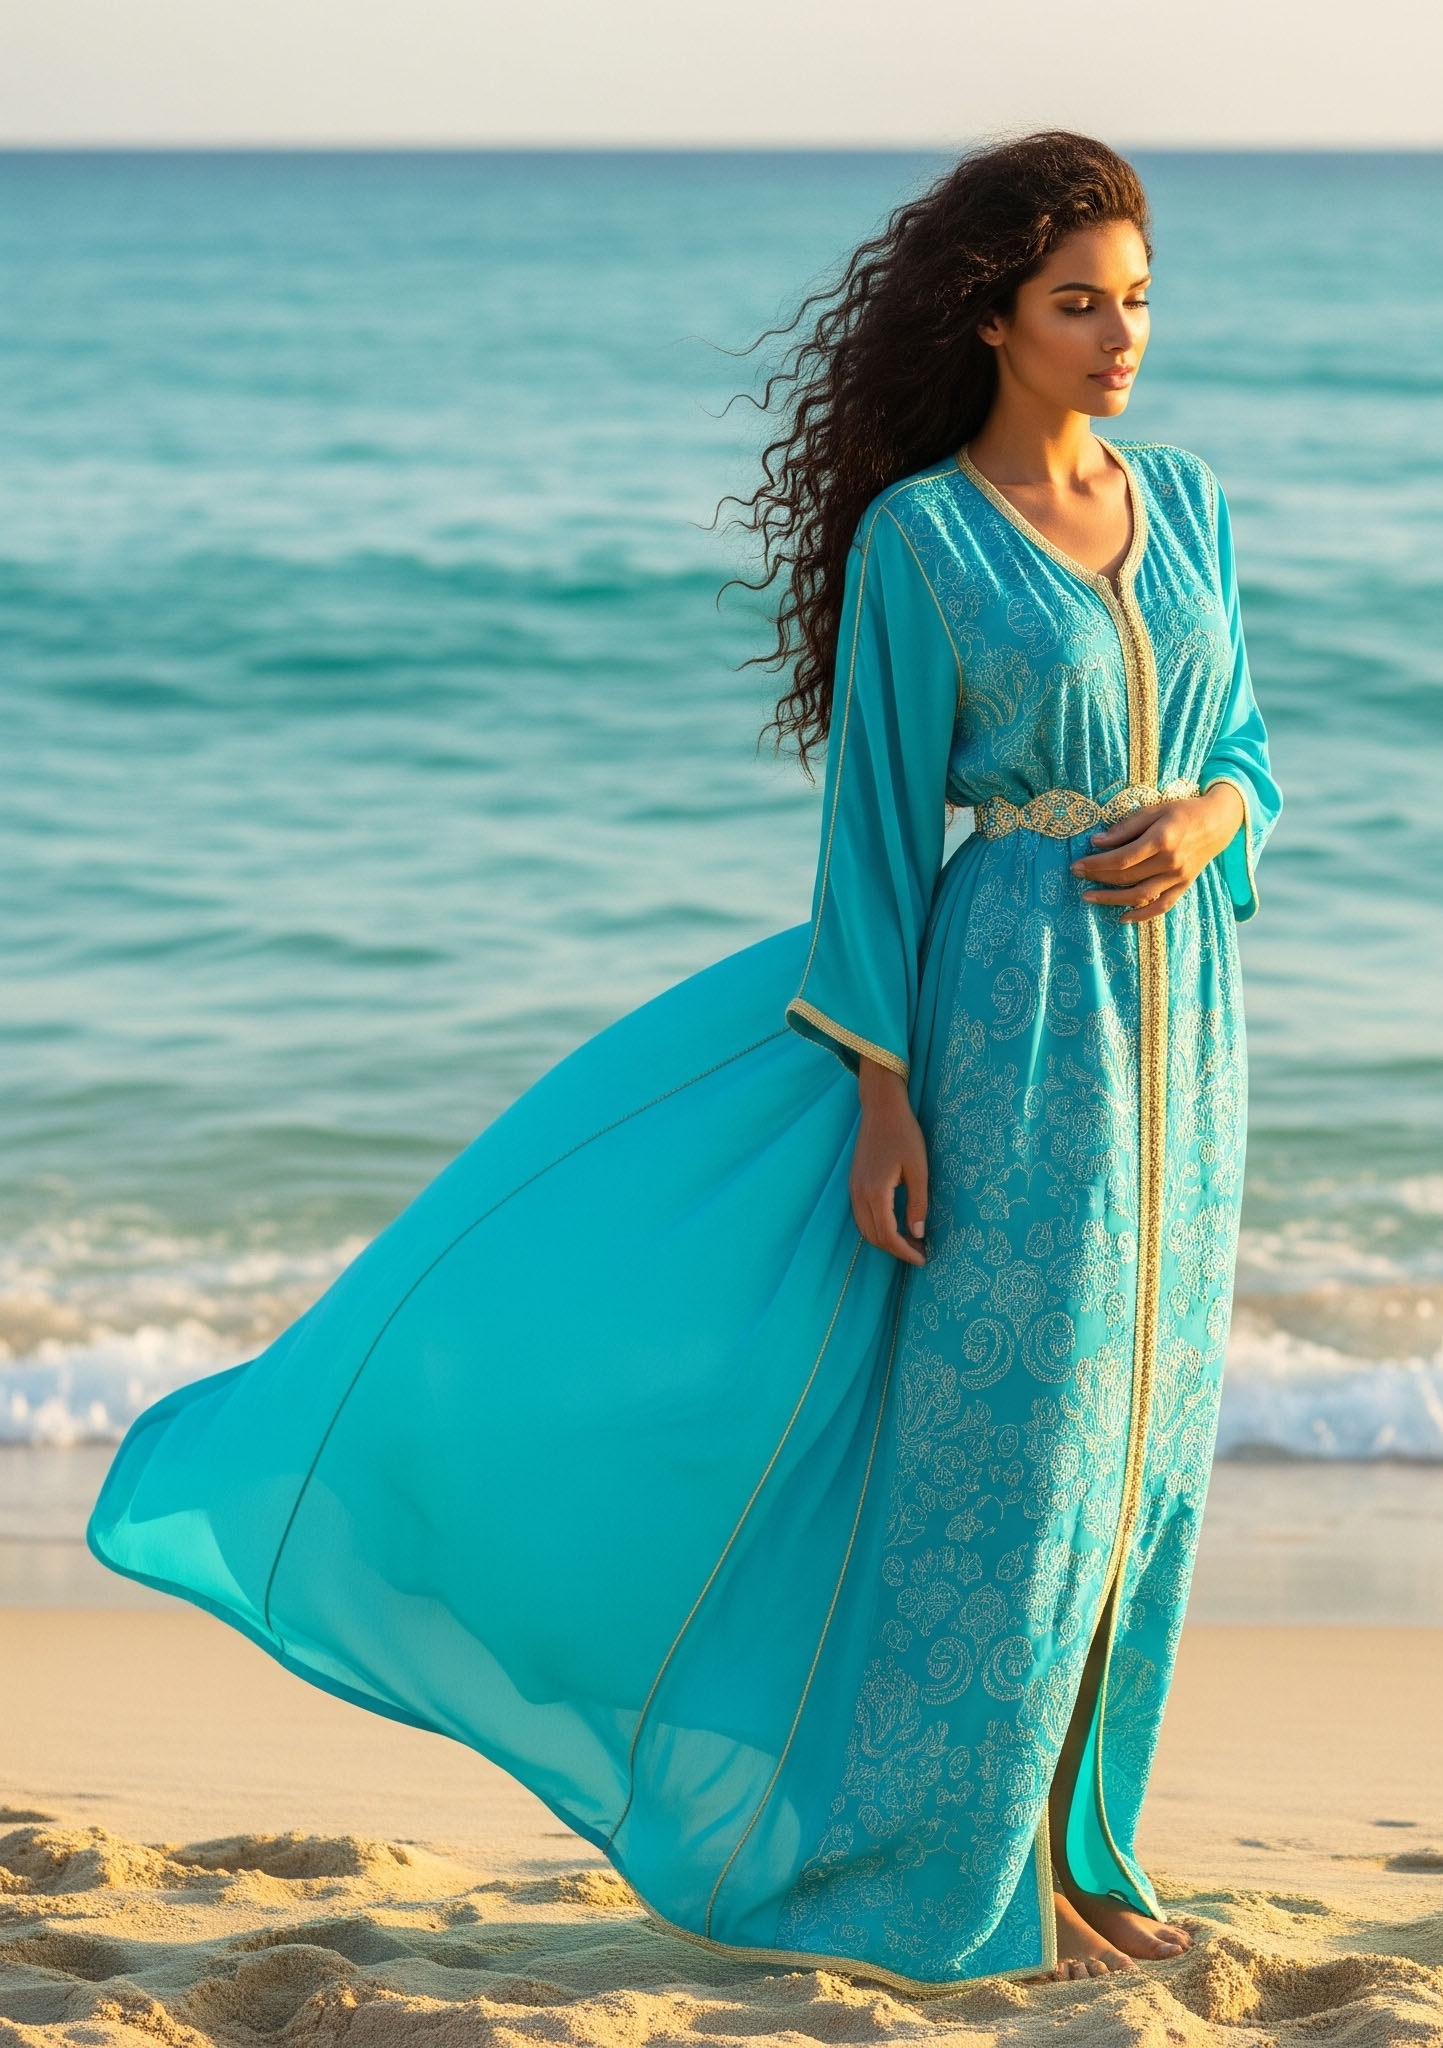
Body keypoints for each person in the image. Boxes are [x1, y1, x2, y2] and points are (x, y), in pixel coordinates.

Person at [88, 130, 1280, 1991]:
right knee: (1020, 1462)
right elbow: (872, 838)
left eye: (1138, 300)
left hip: (1186, 1025)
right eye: (1080, 304)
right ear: (994, 319)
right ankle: (973, 1874)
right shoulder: (925, 539)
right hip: (1011, 1016)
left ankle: (1083, 1843)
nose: (1121, 336)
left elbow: (1253, 753)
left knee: (1144, 1457)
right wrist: (883, 1092)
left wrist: (1211, 817)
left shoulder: (1186, 504)